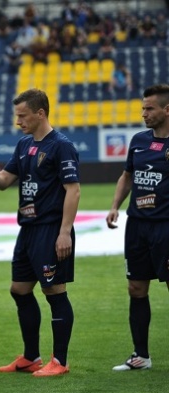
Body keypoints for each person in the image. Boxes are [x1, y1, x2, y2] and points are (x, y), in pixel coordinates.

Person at [0, 88, 80, 377]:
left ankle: (60, 360)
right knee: (19, 290)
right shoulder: (23, 145)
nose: (18, 121)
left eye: (22, 116)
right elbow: (3, 180)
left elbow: (73, 190)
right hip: (28, 230)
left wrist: (64, 232)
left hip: (50, 229)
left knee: (54, 291)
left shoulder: (61, 146)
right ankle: (31, 357)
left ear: (40, 113)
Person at [107, 84, 169, 371]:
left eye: (149, 108)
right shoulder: (138, 141)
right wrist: (115, 206)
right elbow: (127, 176)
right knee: (136, 288)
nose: (144, 113)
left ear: (166, 110)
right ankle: (141, 356)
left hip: (165, 227)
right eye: (143, 108)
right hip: (138, 226)